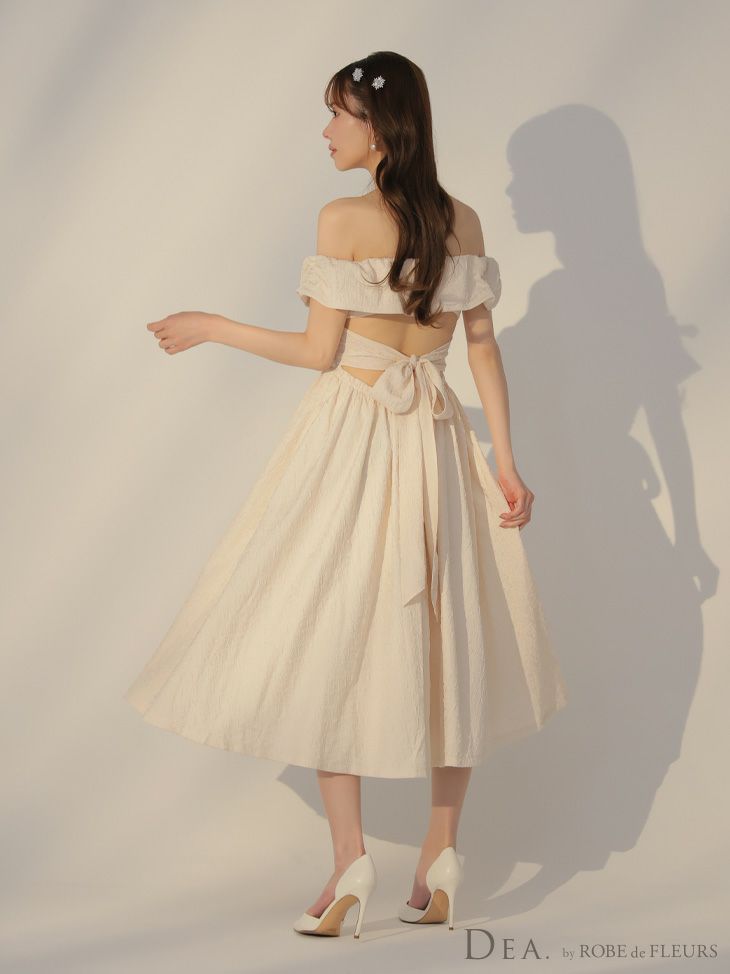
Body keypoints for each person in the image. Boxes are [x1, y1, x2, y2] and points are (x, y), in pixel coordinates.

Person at [125, 51, 568, 939]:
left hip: (353, 439)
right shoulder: (464, 219)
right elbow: (481, 347)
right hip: (437, 441)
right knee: (448, 631)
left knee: (331, 629)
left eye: (338, 114)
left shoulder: (342, 219)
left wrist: (213, 325)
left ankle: (349, 863)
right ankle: (441, 858)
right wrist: (507, 464)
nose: (326, 131)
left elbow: (318, 353)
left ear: (379, 126)